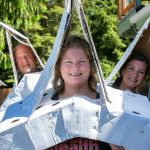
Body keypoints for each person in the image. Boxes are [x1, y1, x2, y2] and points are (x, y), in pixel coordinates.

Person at [50, 35, 112, 150]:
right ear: (59, 66)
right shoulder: (42, 106)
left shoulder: (109, 105)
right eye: (68, 62)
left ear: (91, 65)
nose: (75, 67)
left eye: (82, 61)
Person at [110, 52, 149, 150]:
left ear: (144, 78)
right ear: (122, 70)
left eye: (141, 72)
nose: (135, 75)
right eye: (131, 68)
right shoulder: (103, 91)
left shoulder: (143, 108)